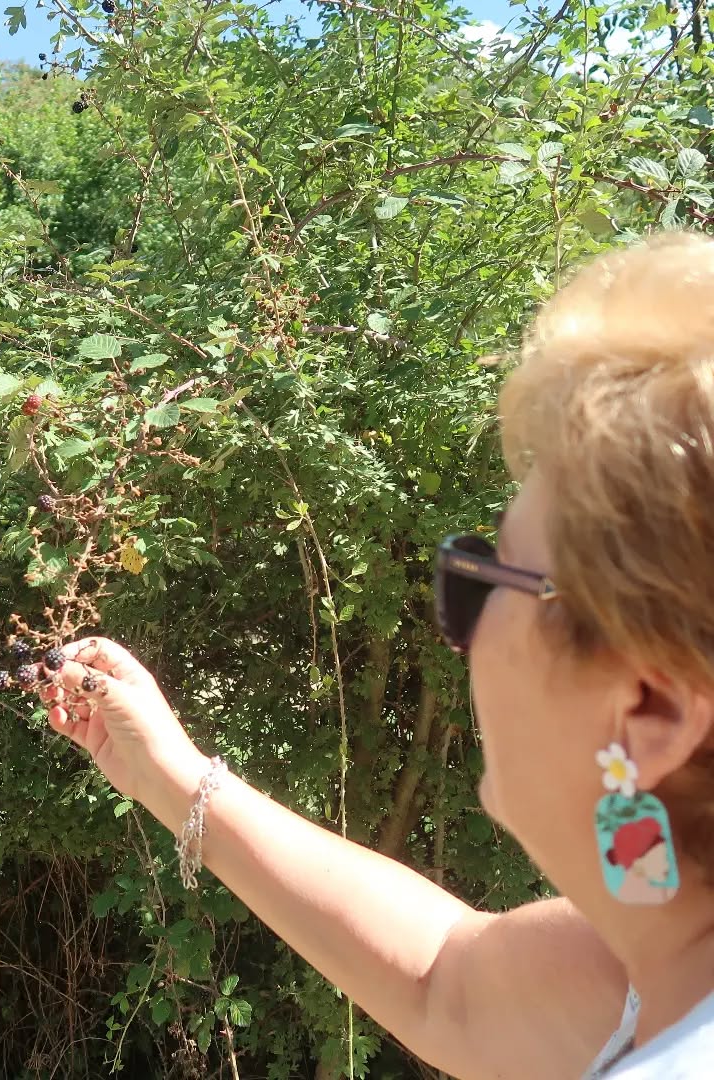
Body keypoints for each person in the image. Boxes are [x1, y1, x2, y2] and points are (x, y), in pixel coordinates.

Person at [38, 231, 714, 1078]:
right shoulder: (661, 950)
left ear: (649, 708)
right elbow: (446, 981)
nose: (458, 628)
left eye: (482, 577)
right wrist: (167, 774)